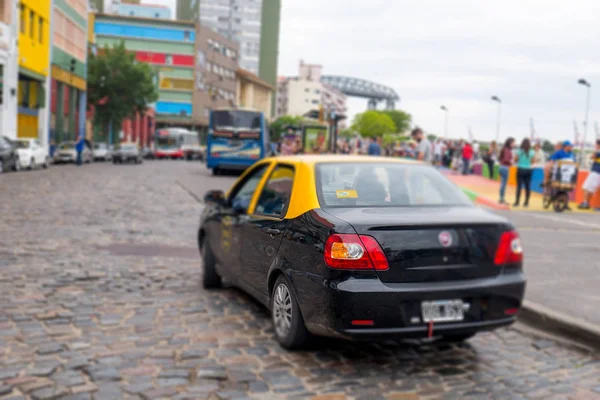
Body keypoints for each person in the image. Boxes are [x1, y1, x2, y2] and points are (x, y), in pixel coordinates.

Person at [578, 139, 600, 210]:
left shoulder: (598, 152)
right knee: (590, 189)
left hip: (596, 172)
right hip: (596, 173)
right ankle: (587, 203)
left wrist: (596, 149)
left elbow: (592, 156)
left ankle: (585, 202)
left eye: (596, 144)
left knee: (586, 187)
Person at [513, 138, 535, 207]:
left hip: (520, 169)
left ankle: (517, 202)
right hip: (528, 170)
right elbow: (533, 162)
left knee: (519, 186)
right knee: (527, 187)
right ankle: (526, 202)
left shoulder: (519, 151)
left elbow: (515, 160)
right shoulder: (532, 152)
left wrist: (520, 160)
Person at [498, 137, 515, 204]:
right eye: (513, 143)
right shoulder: (507, 150)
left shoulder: (504, 149)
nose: (514, 144)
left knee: (502, 184)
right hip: (505, 168)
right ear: (510, 143)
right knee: (503, 184)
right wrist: (511, 162)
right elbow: (506, 159)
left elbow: (502, 159)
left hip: (502, 167)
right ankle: (502, 198)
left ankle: (501, 198)